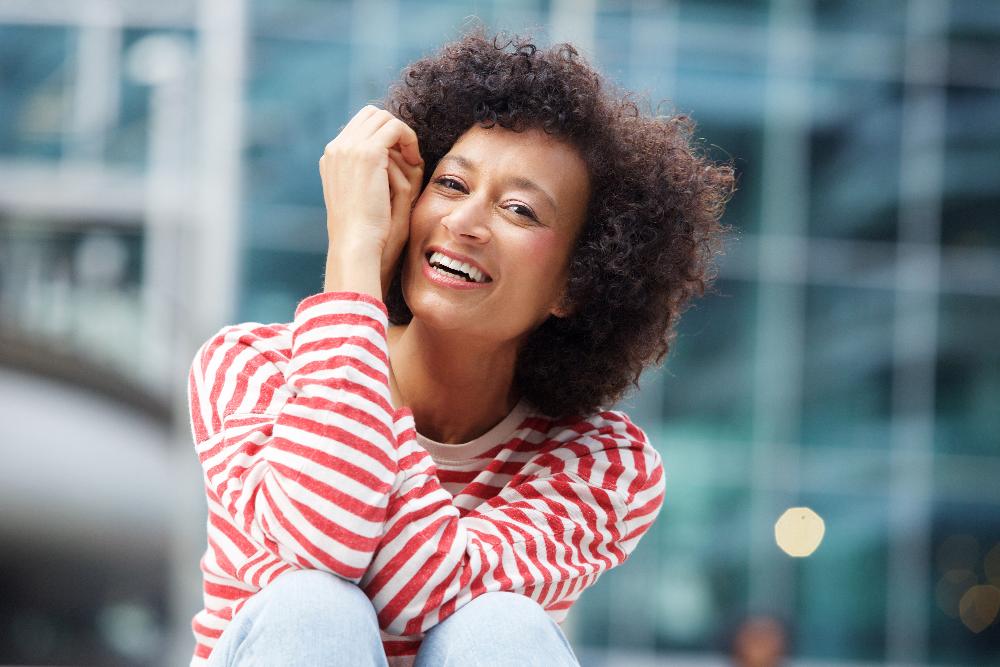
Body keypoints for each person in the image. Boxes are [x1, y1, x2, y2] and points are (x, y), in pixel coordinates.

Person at [187, 29, 733, 666]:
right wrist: (355, 260)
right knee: (313, 606)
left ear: (577, 282)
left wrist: (356, 295)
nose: (465, 223)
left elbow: (418, 596)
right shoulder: (250, 370)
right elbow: (322, 536)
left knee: (501, 627)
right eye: (449, 185)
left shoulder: (604, 468)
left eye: (520, 211)